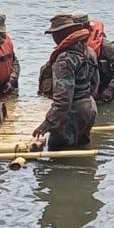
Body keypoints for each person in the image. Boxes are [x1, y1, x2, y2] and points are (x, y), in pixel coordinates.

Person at [33, 13, 98, 150]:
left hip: (71, 114)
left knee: (58, 152)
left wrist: (48, 123)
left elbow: (63, 100)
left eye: (54, 34)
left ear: (61, 34)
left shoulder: (64, 59)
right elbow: (95, 83)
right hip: (89, 107)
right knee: (81, 147)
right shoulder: (89, 51)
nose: (54, 38)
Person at [86, 18, 114, 103]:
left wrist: (111, 89)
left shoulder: (107, 46)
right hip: (85, 94)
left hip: (107, 92)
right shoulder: (75, 45)